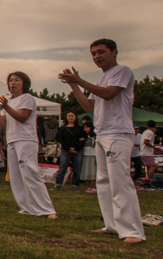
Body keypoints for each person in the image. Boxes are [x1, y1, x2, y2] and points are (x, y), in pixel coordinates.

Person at [59, 38, 145, 243]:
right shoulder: (101, 79)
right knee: (104, 181)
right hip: (102, 133)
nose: (97, 57)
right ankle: (112, 225)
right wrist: (74, 86)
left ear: (114, 52)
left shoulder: (123, 70)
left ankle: (133, 231)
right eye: (93, 54)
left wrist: (79, 81)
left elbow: (108, 94)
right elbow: (89, 106)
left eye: (101, 52)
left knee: (120, 180)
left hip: (118, 133)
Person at [0, 72, 56, 219]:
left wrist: (7, 107)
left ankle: (47, 210)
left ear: (25, 83)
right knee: (16, 177)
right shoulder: (10, 101)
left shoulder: (27, 98)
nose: (13, 83)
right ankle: (27, 207)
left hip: (26, 140)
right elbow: (3, 123)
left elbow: (23, 117)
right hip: (12, 140)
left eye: (17, 80)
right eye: (10, 80)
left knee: (30, 174)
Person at [55, 111, 85, 191]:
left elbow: (82, 140)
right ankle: (57, 184)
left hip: (77, 151)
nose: (70, 117)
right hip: (65, 150)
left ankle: (75, 186)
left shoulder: (80, 128)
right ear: (66, 117)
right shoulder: (62, 128)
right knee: (62, 168)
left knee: (77, 169)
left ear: (75, 117)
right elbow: (60, 140)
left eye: (72, 116)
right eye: (69, 116)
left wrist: (76, 149)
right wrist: (68, 148)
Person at [80, 118, 97, 191]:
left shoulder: (96, 137)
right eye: (84, 128)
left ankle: (96, 187)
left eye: (87, 127)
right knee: (87, 171)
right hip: (85, 155)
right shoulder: (84, 137)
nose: (85, 129)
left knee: (95, 171)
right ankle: (89, 187)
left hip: (94, 155)